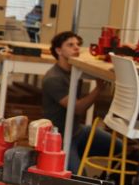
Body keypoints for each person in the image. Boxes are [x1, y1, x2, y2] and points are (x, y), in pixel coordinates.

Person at [41, 30, 108, 173]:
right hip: (59, 137)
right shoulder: (54, 78)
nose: (76, 48)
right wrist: (98, 89)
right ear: (59, 50)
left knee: (122, 149)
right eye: (70, 45)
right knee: (78, 177)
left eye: (77, 44)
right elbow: (77, 108)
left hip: (77, 131)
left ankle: (110, 181)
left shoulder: (74, 71)